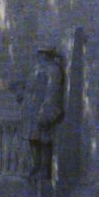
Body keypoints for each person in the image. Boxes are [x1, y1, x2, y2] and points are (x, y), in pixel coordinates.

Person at [24, 46, 65, 183]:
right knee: (33, 138)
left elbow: (52, 91)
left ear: (47, 54)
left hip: (45, 108)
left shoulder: (53, 70)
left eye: (41, 53)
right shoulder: (37, 69)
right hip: (33, 108)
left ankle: (44, 168)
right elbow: (30, 88)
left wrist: (46, 109)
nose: (39, 56)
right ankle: (35, 166)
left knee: (44, 139)